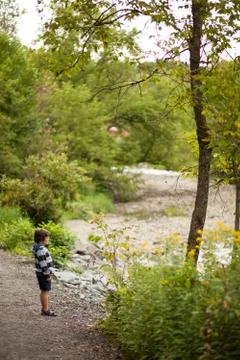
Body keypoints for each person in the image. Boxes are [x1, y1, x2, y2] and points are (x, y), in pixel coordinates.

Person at [32, 228, 57, 316]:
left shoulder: (38, 247)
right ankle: (45, 310)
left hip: (41, 273)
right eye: (47, 237)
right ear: (42, 238)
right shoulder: (41, 250)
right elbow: (43, 264)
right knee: (45, 291)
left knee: (44, 290)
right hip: (43, 273)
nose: (48, 239)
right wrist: (47, 275)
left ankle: (44, 308)